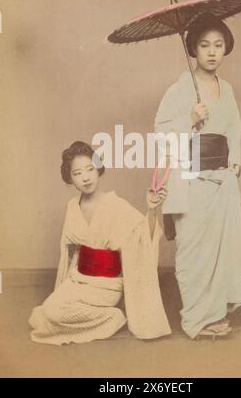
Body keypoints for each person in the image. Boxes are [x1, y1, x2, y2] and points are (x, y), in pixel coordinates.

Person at [154, 13, 241, 339]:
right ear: (192, 49)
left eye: (218, 45)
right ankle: (196, 318)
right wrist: (189, 118)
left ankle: (216, 312)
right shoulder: (179, 90)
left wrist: (235, 160)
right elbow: (162, 133)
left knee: (222, 248)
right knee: (193, 251)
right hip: (191, 177)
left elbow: (234, 129)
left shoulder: (227, 89)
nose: (212, 52)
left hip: (221, 179)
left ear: (226, 49)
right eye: (204, 45)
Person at [29, 141, 171, 345]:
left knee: (52, 313)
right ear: (70, 178)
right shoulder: (72, 207)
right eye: (77, 173)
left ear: (98, 170)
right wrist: (67, 281)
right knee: (44, 313)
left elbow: (142, 239)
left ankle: (112, 318)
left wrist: (151, 209)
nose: (85, 177)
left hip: (107, 285)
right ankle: (101, 316)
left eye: (90, 169)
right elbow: (71, 252)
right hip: (78, 279)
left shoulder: (116, 205)